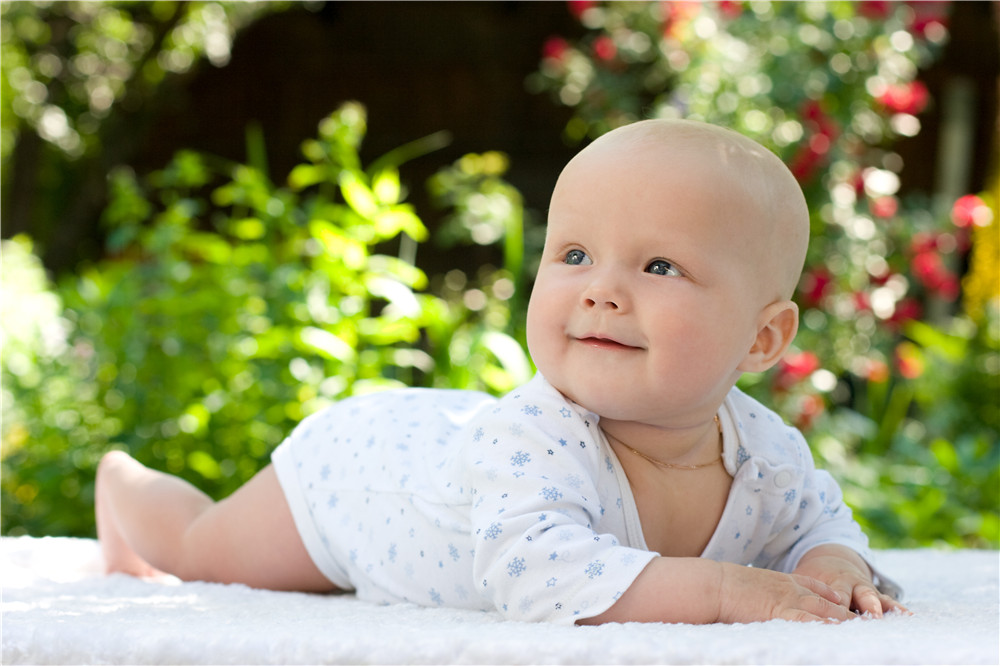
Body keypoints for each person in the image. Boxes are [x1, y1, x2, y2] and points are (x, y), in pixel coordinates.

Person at [96, 118, 907, 626]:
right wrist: (732, 592)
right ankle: (126, 488)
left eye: (659, 267)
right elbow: (542, 578)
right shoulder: (540, 437)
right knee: (200, 553)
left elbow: (820, 524)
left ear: (763, 340)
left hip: (437, 441)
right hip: (361, 483)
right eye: (576, 254)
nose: (601, 290)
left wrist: (830, 573)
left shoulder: (762, 452)